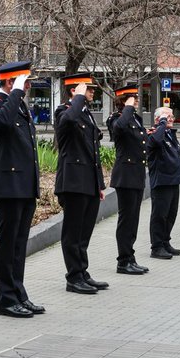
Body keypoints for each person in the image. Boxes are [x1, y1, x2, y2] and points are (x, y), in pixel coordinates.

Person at [0, 61, 45, 318]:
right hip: (8, 186)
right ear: (11, 82)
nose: (28, 87)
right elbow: (1, 124)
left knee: (19, 245)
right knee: (7, 244)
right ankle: (6, 299)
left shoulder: (18, 105)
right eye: (25, 82)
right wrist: (16, 92)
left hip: (25, 186)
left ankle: (19, 293)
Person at [54, 74, 109, 295]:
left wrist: (100, 184)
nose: (92, 92)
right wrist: (77, 97)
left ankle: (82, 271)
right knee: (72, 232)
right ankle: (73, 277)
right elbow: (66, 122)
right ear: (74, 90)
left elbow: (93, 152)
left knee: (84, 232)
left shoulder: (85, 113)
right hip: (73, 182)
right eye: (87, 89)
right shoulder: (64, 111)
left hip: (88, 182)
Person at [107, 85, 149, 275]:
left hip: (137, 174)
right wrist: (128, 108)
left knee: (133, 219)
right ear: (124, 100)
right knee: (126, 220)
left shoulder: (135, 119)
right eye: (133, 98)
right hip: (125, 175)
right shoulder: (116, 119)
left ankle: (130, 257)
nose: (137, 100)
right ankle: (123, 260)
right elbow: (119, 129)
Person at [147, 106, 180, 258]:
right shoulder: (155, 133)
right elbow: (155, 141)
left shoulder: (169, 134)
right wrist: (161, 123)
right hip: (162, 180)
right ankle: (156, 246)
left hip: (173, 180)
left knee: (171, 214)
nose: (171, 119)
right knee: (159, 215)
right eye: (167, 117)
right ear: (158, 119)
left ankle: (165, 241)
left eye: (172, 116)